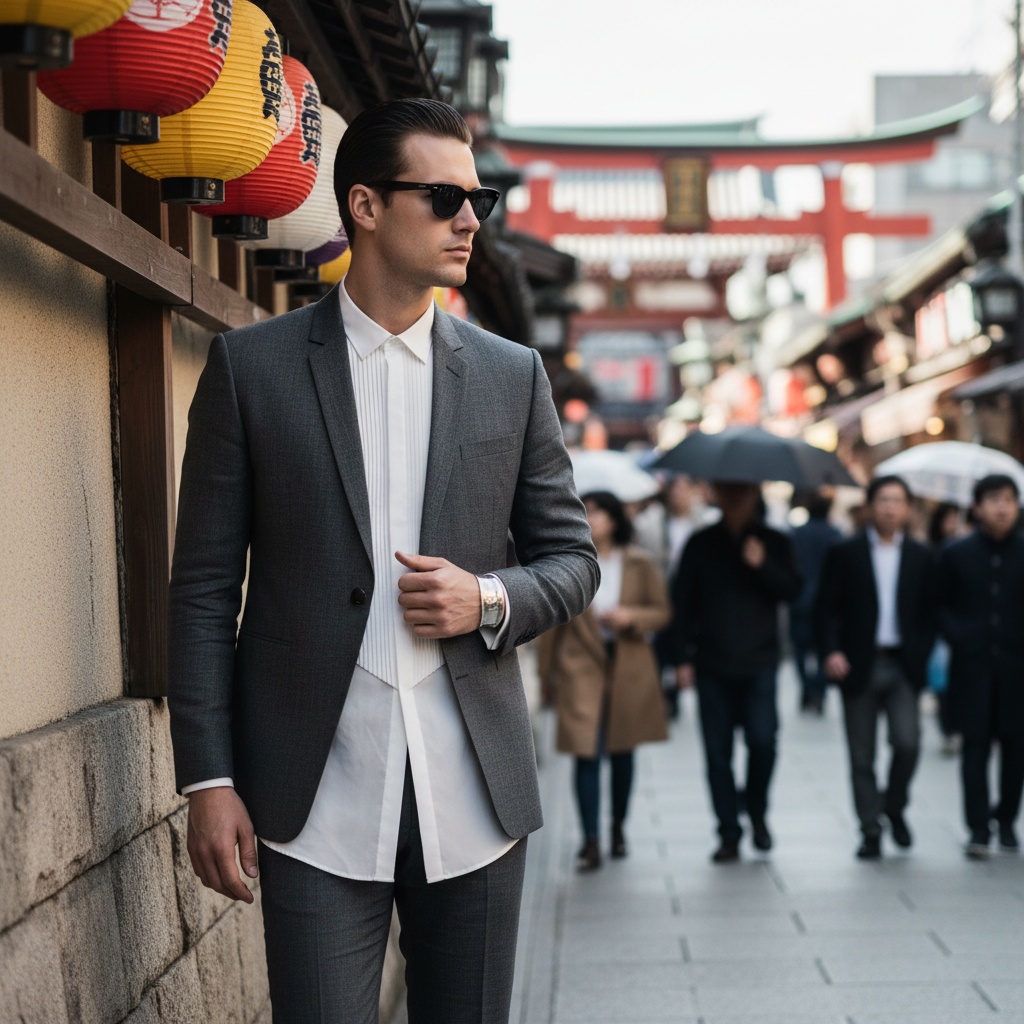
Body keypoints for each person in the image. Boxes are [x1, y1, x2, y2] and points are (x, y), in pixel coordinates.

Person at [167, 98, 599, 1024]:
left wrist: (486, 597)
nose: (471, 219)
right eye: (444, 197)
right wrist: (208, 780)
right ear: (365, 206)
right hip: (310, 796)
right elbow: (203, 591)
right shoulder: (251, 369)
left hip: (476, 798)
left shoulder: (511, 373)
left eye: (477, 197)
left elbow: (572, 560)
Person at [668, 481, 802, 863]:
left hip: (760, 662)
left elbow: (793, 591)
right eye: (728, 492)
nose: (734, 499)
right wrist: (680, 659)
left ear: (754, 495)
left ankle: (757, 811)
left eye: (742, 492)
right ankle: (728, 830)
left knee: (764, 741)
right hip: (712, 663)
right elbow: (682, 602)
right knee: (717, 753)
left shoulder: (775, 542)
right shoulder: (701, 543)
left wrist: (764, 566)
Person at [540, 491, 670, 871]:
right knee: (586, 753)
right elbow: (551, 623)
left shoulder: (639, 563)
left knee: (623, 751)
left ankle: (617, 827)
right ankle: (590, 840)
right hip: (581, 667)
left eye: (599, 512)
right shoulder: (567, 564)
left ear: (615, 519)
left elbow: (661, 612)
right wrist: (545, 673)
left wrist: (631, 617)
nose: (592, 518)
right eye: (587, 512)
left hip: (628, 663)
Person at [816, 475, 935, 860]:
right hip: (858, 663)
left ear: (907, 508)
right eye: (882, 500)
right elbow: (825, 611)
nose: (889, 508)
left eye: (897, 501)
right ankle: (870, 828)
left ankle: (894, 806)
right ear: (868, 506)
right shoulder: (845, 553)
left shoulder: (921, 556)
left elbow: (929, 614)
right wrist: (831, 651)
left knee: (908, 743)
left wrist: (921, 653)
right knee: (861, 755)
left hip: (902, 664)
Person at [936, 474, 1024, 860]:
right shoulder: (956, 553)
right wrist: (959, 634)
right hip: (971, 667)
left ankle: (1006, 819)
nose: (1002, 507)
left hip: (1017, 667)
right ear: (976, 507)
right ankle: (977, 826)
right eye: (993, 499)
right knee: (974, 747)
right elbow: (937, 604)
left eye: (1009, 499)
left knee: (1016, 749)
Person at [788, 491, 843, 715]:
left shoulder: (798, 533)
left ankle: (808, 689)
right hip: (823, 599)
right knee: (821, 649)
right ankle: (817, 690)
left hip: (801, 598)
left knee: (801, 649)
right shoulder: (834, 534)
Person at [927, 502, 966, 756]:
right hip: (943, 630)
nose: (952, 524)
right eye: (948, 519)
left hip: (967, 629)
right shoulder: (933, 551)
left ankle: (960, 728)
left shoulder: (970, 549)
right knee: (943, 683)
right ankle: (949, 729)